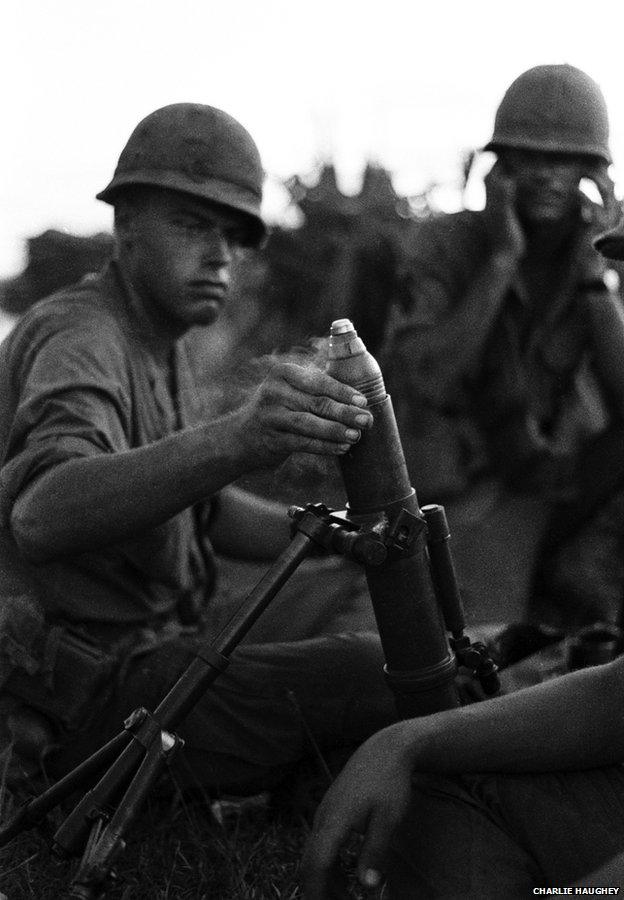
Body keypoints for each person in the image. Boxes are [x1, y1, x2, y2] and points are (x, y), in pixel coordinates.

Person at [0, 103, 396, 793]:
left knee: (369, 584)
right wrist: (237, 438)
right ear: (125, 226)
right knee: (372, 671)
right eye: (191, 226)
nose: (221, 255)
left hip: (164, 643)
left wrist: (329, 533)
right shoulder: (82, 339)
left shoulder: (164, 337)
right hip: (91, 698)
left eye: (235, 235)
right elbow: (42, 514)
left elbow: (201, 511)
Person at [301, 211, 624, 898]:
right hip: (472, 512)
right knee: (433, 786)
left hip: (520, 526)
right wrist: (416, 742)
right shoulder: (459, 260)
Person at [383, 64, 624, 631]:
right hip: (453, 495)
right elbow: (425, 382)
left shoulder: (602, 258)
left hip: (548, 485)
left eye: (562, 160)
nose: (543, 175)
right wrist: (500, 260)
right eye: (527, 157)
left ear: (593, 176)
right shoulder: (445, 244)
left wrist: (594, 275)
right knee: (467, 653)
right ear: (501, 168)